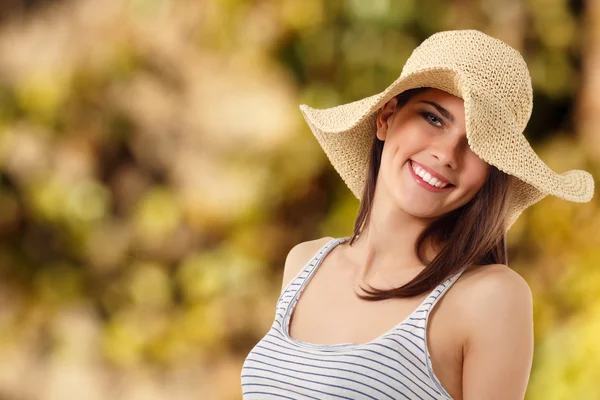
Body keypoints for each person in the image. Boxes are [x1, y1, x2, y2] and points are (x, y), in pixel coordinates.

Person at [240, 29, 594, 400]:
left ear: (492, 171)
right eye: (433, 119)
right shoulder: (305, 262)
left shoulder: (489, 298)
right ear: (387, 118)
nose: (446, 154)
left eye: (477, 143)